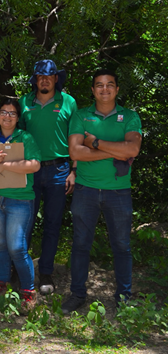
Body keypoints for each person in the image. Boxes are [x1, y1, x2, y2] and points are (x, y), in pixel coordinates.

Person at [62, 70, 142, 314]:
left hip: (118, 192)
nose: (104, 89)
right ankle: (77, 294)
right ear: (92, 90)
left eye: (109, 85)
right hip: (85, 190)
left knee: (122, 246)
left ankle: (123, 298)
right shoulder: (80, 115)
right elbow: (75, 152)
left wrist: (95, 143)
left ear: (117, 89)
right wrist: (117, 151)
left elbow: (133, 149)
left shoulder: (130, 116)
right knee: (80, 245)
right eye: (99, 85)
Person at [19, 60, 78, 295]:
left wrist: (74, 170)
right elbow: (17, 136)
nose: (44, 80)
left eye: (49, 75)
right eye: (40, 76)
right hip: (30, 169)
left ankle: (45, 271)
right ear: (35, 79)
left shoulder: (68, 102)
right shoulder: (24, 102)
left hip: (59, 170)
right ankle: (20, 270)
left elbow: (76, 138)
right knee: (25, 221)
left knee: (53, 223)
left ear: (56, 78)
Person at [0, 99, 41, 313]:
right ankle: (3, 286)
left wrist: (5, 165)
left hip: (19, 199)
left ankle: (28, 292)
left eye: (12, 113)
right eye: (4, 112)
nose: (8, 116)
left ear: (17, 118)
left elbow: (35, 165)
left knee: (16, 247)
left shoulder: (25, 138)